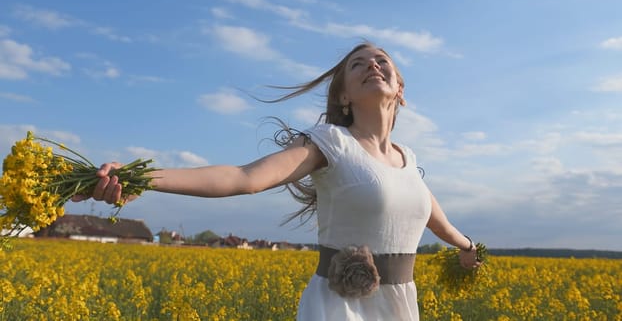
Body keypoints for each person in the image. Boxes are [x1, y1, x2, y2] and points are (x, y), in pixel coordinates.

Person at [82, 42, 481, 320]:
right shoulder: (332, 143)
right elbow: (244, 177)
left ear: (400, 90)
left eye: (382, 61)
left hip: (399, 308)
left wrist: (468, 247)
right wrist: (139, 178)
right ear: (343, 96)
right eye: (358, 64)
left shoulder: (407, 160)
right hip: (339, 309)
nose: (373, 65)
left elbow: (433, 218)